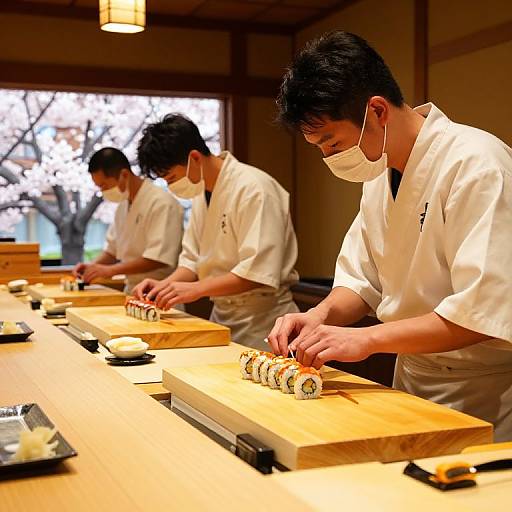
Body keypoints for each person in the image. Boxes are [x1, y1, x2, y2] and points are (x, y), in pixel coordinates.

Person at [267, 31, 512, 441]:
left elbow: (482, 313)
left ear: (376, 110)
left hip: (482, 388)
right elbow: (362, 282)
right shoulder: (380, 176)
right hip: (412, 379)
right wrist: (318, 317)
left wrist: (367, 340)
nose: (330, 159)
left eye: (332, 143)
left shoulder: (478, 164)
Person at [132, 114, 299, 350]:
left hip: (264, 320)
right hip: (221, 316)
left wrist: (195, 289)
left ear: (194, 157)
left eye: (171, 178)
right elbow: (191, 261)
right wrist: (164, 286)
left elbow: (256, 273)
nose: (171, 187)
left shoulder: (254, 188)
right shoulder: (202, 192)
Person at [73, 147, 183, 294]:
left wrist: (110, 271)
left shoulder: (162, 203)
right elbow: (112, 251)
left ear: (124, 174)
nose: (103, 192)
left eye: (104, 185)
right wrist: (92, 267)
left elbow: (157, 258)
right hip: (131, 290)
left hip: (160, 290)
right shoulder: (122, 206)